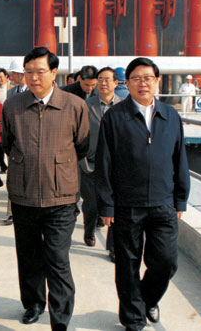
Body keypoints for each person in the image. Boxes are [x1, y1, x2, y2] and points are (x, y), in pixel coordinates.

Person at [95, 57, 190, 331]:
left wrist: (180, 198)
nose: (143, 83)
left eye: (148, 78)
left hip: (163, 203)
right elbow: (104, 163)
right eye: (136, 78)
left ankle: (147, 299)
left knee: (166, 262)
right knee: (127, 264)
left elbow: (180, 159)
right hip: (127, 204)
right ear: (127, 83)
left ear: (157, 81)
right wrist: (106, 205)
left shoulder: (171, 116)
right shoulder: (115, 117)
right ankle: (134, 320)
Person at [2, 47, 89, 330]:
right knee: (28, 256)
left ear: (54, 73)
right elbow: (8, 144)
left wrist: (57, 166)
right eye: (28, 72)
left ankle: (60, 319)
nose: (34, 77)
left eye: (40, 71)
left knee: (57, 259)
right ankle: (33, 303)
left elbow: (82, 146)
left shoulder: (74, 106)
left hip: (61, 198)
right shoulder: (13, 106)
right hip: (24, 195)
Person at [80, 67, 123, 260]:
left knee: (116, 205)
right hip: (92, 163)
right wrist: (83, 162)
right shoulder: (86, 105)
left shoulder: (124, 106)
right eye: (100, 79)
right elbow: (79, 135)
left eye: (107, 79)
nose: (103, 83)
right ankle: (89, 230)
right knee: (91, 203)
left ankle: (113, 246)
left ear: (116, 83)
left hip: (117, 165)